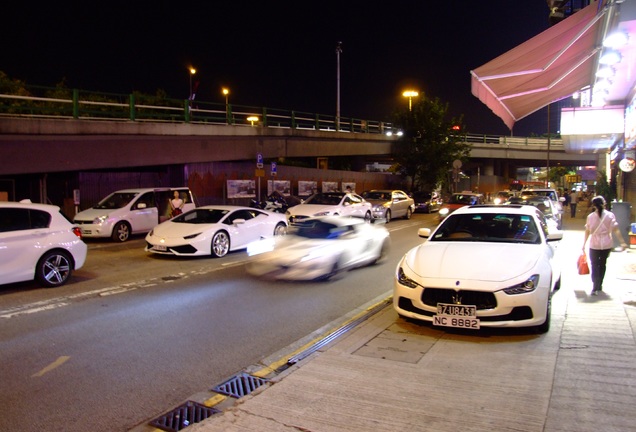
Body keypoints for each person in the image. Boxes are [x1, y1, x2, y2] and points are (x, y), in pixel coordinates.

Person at [582, 196, 628, 295]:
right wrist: (622, 242)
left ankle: (595, 286)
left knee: (594, 265)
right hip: (607, 244)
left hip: (594, 244)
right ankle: (600, 285)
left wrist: (584, 244)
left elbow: (587, 231)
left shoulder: (590, 217)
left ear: (593, 205)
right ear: (604, 204)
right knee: (602, 264)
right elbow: (616, 229)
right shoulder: (610, 215)